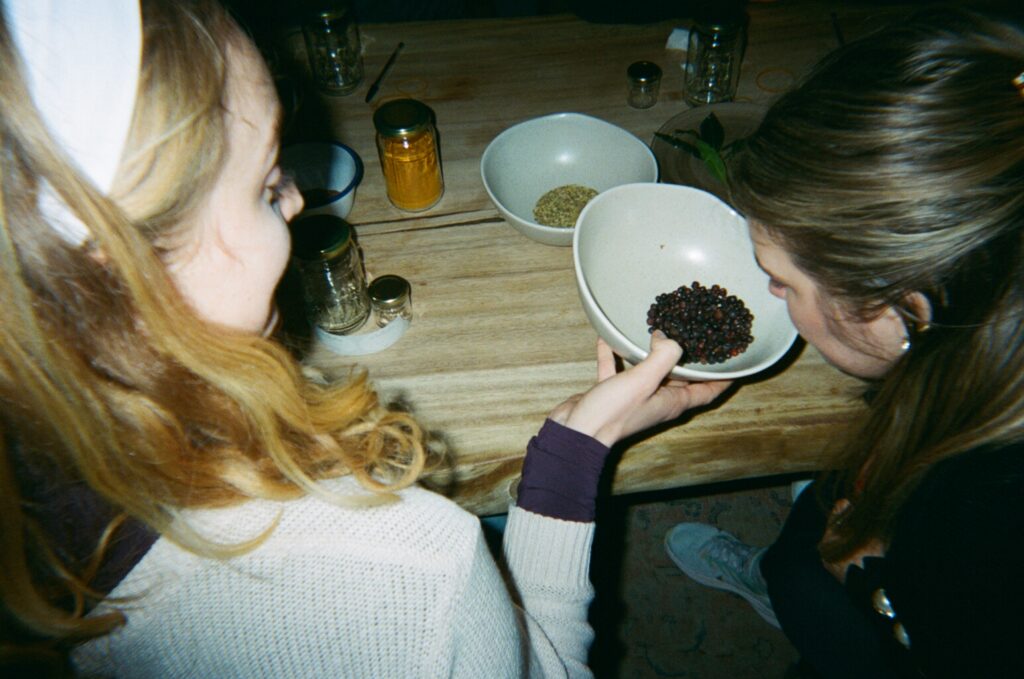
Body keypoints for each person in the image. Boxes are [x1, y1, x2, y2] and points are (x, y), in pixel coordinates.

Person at [0, 1, 732, 676]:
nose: (293, 200)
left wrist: (581, 431)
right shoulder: (397, 568)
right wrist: (567, 471)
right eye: (264, 186)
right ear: (120, 271)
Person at [664, 6, 1024, 678]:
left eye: (781, 281)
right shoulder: (980, 319)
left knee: (805, 578)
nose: (771, 295)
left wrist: (877, 590)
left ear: (899, 312)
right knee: (812, 516)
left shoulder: (976, 525)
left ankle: (790, 585)